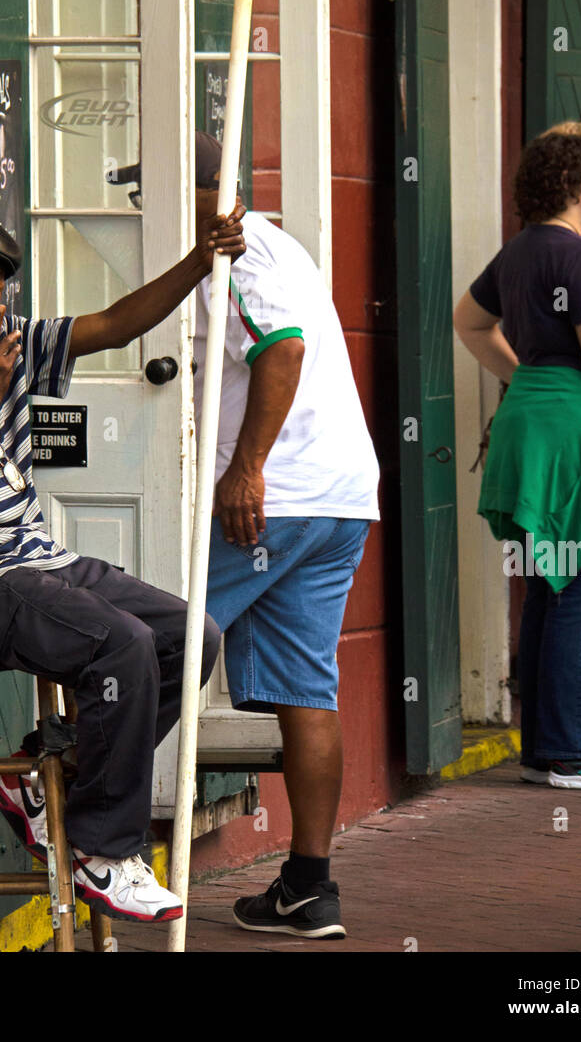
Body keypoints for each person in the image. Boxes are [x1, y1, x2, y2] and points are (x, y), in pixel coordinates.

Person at [0, 201, 244, 924]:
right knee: (119, 646)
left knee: (193, 641)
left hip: (34, 559)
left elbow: (116, 324)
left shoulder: (3, 342)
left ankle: (48, 775)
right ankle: (100, 849)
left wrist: (198, 259)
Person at [192, 132, 380, 940]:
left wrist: (245, 470)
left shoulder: (240, 258)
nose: (141, 210)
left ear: (209, 189)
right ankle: (309, 884)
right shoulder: (275, 245)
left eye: (150, 191)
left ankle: (99, 835)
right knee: (308, 688)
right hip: (336, 497)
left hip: (279, 496)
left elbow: (282, 349)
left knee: (141, 637)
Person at [454, 131, 581, 791]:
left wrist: (524, 378)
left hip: (533, 420)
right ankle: (573, 750)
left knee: (553, 582)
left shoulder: (517, 253)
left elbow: (467, 322)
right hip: (574, 431)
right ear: (571, 178)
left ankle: (549, 746)